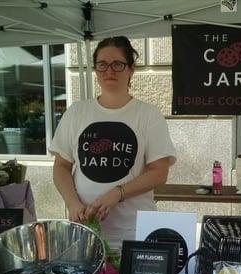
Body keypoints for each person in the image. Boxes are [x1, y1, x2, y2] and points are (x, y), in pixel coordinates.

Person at [49, 36, 176, 249]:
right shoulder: (77, 113)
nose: (109, 71)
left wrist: (117, 193)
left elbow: (159, 172)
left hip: (133, 232)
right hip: (84, 233)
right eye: (102, 64)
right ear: (95, 69)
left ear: (131, 69)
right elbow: (61, 166)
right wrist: (72, 203)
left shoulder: (147, 115)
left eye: (118, 64)